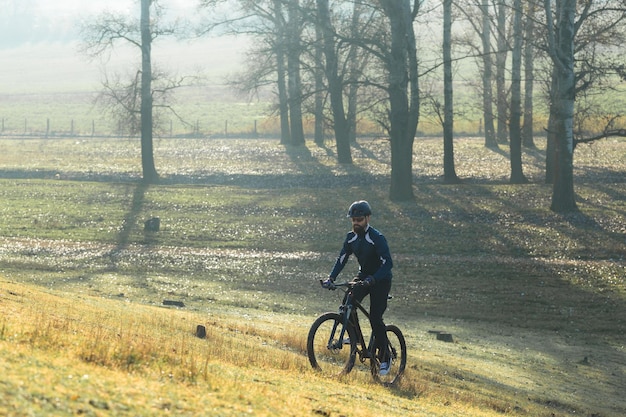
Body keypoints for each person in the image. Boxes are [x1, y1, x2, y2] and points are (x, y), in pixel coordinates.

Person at [321, 200, 393, 375]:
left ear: (367, 218)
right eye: (353, 219)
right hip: (363, 276)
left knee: (375, 318)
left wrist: (373, 279)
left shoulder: (377, 238)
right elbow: (342, 259)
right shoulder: (351, 237)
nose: (356, 223)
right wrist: (331, 278)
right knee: (347, 302)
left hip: (380, 280)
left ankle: (385, 356)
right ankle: (354, 338)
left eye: (359, 219)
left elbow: (388, 264)